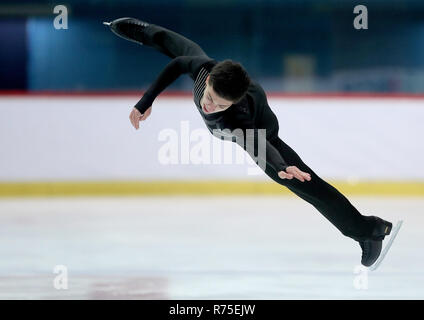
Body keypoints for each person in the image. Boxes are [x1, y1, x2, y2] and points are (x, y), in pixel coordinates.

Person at [105, 17, 393, 267]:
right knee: (175, 43)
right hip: (243, 111)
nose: (209, 107)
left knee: (305, 184)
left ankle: (369, 230)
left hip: (261, 132)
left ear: (231, 103)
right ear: (207, 82)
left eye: (218, 105)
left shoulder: (237, 119)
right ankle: (133, 29)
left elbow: (260, 145)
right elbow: (178, 59)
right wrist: (145, 101)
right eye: (209, 98)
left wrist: (281, 166)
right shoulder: (205, 71)